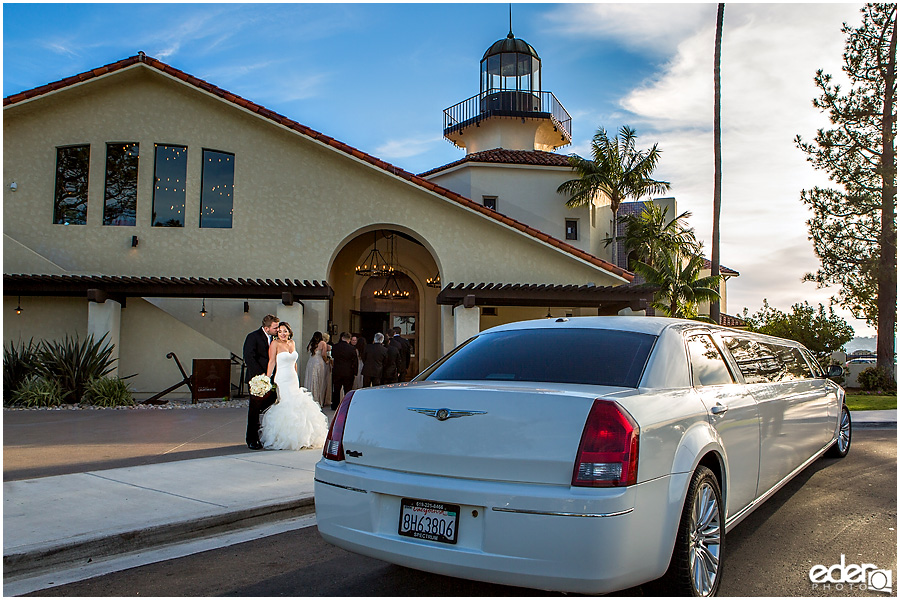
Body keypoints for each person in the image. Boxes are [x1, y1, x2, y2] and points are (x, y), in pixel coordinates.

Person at [259, 322, 328, 450]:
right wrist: (267, 379)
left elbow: (294, 362)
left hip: (292, 378)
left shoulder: (292, 343)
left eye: (285, 331)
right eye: (279, 331)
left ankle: (302, 436)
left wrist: (296, 376)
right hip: (282, 378)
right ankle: (285, 437)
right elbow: (272, 361)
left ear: (289, 332)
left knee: (297, 403)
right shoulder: (275, 344)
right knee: (286, 404)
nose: (282, 334)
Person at [243, 314, 279, 450]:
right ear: (266, 328)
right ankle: (252, 439)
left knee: (272, 404)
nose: (278, 329)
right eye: (275, 327)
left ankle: (267, 434)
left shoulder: (276, 338)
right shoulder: (253, 337)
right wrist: (261, 376)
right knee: (254, 410)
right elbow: (249, 356)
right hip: (257, 380)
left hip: (273, 379)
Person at [331, 332, 357, 410]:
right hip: (348, 371)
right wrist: (355, 372)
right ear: (349, 339)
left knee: (336, 389)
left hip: (337, 370)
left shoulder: (335, 347)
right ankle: (346, 405)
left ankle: (335, 405)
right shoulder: (352, 348)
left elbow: (333, 356)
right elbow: (355, 361)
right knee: (347, 390)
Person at [304, 331, 329, 407]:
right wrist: (327, 361)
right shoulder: (323, 343)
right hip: (319, 362)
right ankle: (318, 400)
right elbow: (323, 354)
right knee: (319, 380)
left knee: (310, 379)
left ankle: (309, 399)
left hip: (311, 362)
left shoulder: (311, 343)